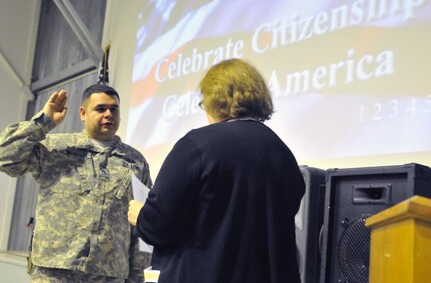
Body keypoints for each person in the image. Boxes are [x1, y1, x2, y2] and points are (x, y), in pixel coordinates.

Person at [128, 58, 305, 283]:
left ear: (215, 99)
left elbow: (160, 225)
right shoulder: (283, 154)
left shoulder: (197, 146)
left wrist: (141, 216)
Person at [0, 83, 152, 282]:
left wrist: (136, 278)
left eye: (114, 109)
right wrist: (42, 123)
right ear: (83, 113)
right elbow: (5, 158)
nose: (109, 114)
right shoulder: (57, 148)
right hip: (54, 272)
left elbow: (142, 224)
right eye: (100, 109)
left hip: (108, 275)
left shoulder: (135, 161)